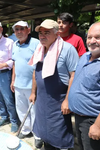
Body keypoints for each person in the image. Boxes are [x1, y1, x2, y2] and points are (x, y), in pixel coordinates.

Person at [28, 19, 79, 149]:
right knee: (43, 128)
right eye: (40, 33)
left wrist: (68, 100)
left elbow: (74, 76)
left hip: (58, 101)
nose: (42, 36)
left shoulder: (67, 49)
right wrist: (33, 92)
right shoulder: (40, 49)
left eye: (47, 32)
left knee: (59, 131)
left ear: (57, 34)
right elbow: (36, 72)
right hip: (42, 99)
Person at [68, 21, 100, 150]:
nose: (92, 41)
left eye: (98, 37)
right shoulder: (85, 56)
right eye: (89, 37)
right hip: (80, 117)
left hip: (94, 120)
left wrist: (99, 126)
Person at [10, 21, 39, 139]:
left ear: (28, 30)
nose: (19, 32)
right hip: (18, 84)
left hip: (32, 85)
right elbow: (14, 64)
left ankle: (37, 135)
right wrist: (13, 81)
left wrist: (35, 88)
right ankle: (26, 130)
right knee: (21, 109)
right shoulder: (15, 44)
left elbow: (39, 66)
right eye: (16, 29)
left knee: (35, 111)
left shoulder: (36, 43)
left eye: (22, 29)